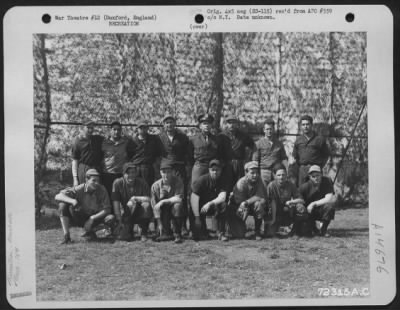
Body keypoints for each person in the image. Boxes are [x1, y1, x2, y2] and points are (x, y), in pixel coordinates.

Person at [55, 169, 115, 244]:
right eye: (93, 180)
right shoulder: (79, 188)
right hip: (81, 217)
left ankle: (93, 232)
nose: (96, 183)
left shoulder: (102, 189)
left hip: (95, 218)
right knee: (62, 205)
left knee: (110, 218)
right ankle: (66, 237)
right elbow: (58, 196)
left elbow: (107, 209)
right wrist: (73, 201)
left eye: (98, 181)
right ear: (86, 179)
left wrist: (92, 218)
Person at [158, 115, 191, 236]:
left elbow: (188, 154)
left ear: (175, 124)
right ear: (164, 125)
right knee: (165, 195)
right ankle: (166, 226)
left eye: (171, 122)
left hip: (179, 168)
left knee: (181, 196)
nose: (169, 125)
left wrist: (186, 168)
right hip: (166, 170)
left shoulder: (182, 137)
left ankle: (182, 226)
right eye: (167, 123)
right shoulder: (160, 137)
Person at [111, 162, 153, 242]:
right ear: (123, 174)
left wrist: (135, 198)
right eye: (128, 173)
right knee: (124, 237)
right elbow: (115, 203)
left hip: (140, 211)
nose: (131, 175)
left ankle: (144, 232)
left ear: (136, 173)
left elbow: (149, 199)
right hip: (126, 212)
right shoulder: (117, 183)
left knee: (146, 205)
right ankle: (128, 229)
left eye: (133, 172)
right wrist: (119, 221)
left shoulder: (142, 182)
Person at [190, 159, 230, 241]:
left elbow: (222, 197)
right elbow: (193, 199)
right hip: (200, 206)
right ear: (209, 170)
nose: (215, 172)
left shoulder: (223, 180)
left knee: (223, 205)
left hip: (212, 206)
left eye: (217, 170)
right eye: (213, 170)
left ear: (221, 170)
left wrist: (209, 204)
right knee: (199, 236)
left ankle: (220, 233)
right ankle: (197, 231)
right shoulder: (201, 180)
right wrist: (197, 218)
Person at [265, 163, 308, 238]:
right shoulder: (271, 186)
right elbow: (270, 204)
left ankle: (295, 230)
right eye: (278, 175)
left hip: (287, 211)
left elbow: (301, 200)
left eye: (283, 174)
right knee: (270, 234)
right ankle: (269, 227)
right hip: (274, 212)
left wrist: (291, 202)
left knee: (300, 208)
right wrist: (273, 220)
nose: (281, 177)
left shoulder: (291, 185)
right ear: (274, 175)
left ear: (286, 175)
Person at [189, 113, 232, 187]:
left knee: (212, 187)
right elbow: (189, 155)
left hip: (212, 167)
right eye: (204, 123)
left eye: (208, 123)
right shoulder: (193, 139)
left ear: (211, 125)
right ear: (200, 126)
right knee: (195, 187)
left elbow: (220, 154)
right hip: (199, 166)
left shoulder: (217, 139)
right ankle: (194, 199)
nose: (207, 125)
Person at [229, 161, 267, 240]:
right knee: (239, 235)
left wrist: (247, 202)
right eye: (252, 173)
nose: (255, 175)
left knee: (259, 204)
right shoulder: (241, 183)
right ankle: (233, 227)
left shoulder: (260, 180)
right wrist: (245, 207)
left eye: (257, 173)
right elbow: (239, 203)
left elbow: (260, 196)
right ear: (246, 173)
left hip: (249, 204)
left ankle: (257, 231)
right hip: (239, 206)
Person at [151, 159, 185, 243]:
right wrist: (159, 223)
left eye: (168, 172)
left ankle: (177, 233)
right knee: (162, 233)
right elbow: (155, 206)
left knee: (178, 205)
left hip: (174, 209)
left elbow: (178, 198)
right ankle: (164, 232)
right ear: (160, 173)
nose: (166, 175)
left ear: (173, 172)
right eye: (164, 172)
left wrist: (162, 201)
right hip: (162, 212)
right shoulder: (155, 186)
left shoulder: (178, 181)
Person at [299, 165, 336, 237]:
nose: (316, 178)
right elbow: (299, 199)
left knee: (330, 206)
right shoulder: (304, 186)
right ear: (310, 177)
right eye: (313, 176)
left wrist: (313, 204)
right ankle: (313, 228)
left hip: (321, 209)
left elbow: (329, 198)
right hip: (308, 211)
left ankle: (323, 230)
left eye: (318, 175)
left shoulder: (327, 181)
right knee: (306, 233)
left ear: (321, 174)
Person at [292, 115, 330, 185]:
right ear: (301, 126)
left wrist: (319, 166)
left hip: (315, 169)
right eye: (303, 125)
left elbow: (326, 155)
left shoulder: (319, 139)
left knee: (316, 192)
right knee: (302, 191)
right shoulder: (298, 140)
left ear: (311, 125)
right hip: (302, 170)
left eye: (307, 124)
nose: (305, 126)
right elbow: (295, 156)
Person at [219, 115, 255, 188]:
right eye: (230, 123)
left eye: (234, 123)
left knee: (239, 185)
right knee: (226, 185)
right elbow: (218, 150)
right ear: (227, 124)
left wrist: (248, 160)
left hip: (239, 164)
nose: (232, 125)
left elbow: (253, 146)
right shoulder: (221, 136)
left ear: (237, 124)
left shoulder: (243, 135)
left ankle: (238, 199)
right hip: (226, 164)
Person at [252, 118, 288, 189]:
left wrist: (286, 171)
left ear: (274, 129)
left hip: (276, 172)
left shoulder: (279, 143)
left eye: (271, 129)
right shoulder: (258, 143)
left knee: (276, 191)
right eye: (267, 129)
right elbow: (255, 161)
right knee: (264, 193)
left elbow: (284, 159)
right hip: (264, 172)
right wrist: (256, 174)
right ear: (264, 130)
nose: (269, 131)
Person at [101, 121, 134, 197]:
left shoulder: (126, 142)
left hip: (121, 174)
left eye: (118, 130)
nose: (116, 131)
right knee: (109, 196)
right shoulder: (104, 143)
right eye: (114, 129)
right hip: (107, 174)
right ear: (110, 130)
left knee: (122, 196)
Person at [129, 120, 163, 187]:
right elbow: (129, 154)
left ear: (147, 128)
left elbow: (158, 153)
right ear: (137, 129)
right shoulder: (132, 141)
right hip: (136, 167)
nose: (143, 129)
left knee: (148, 187)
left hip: (148, 167)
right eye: (141, 128)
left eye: (144, 127)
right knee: (136, 187)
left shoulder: (154, 139)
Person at [71, 121, 104, 186]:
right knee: (83, 190)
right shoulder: (77, 141)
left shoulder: (98, 139)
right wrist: (75, 179)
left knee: (96, 190)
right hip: (83, 170)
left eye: (92, 128)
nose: (90, 130)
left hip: (96, 170)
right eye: (88, 127)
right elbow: (75, 161)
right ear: (82, 128)